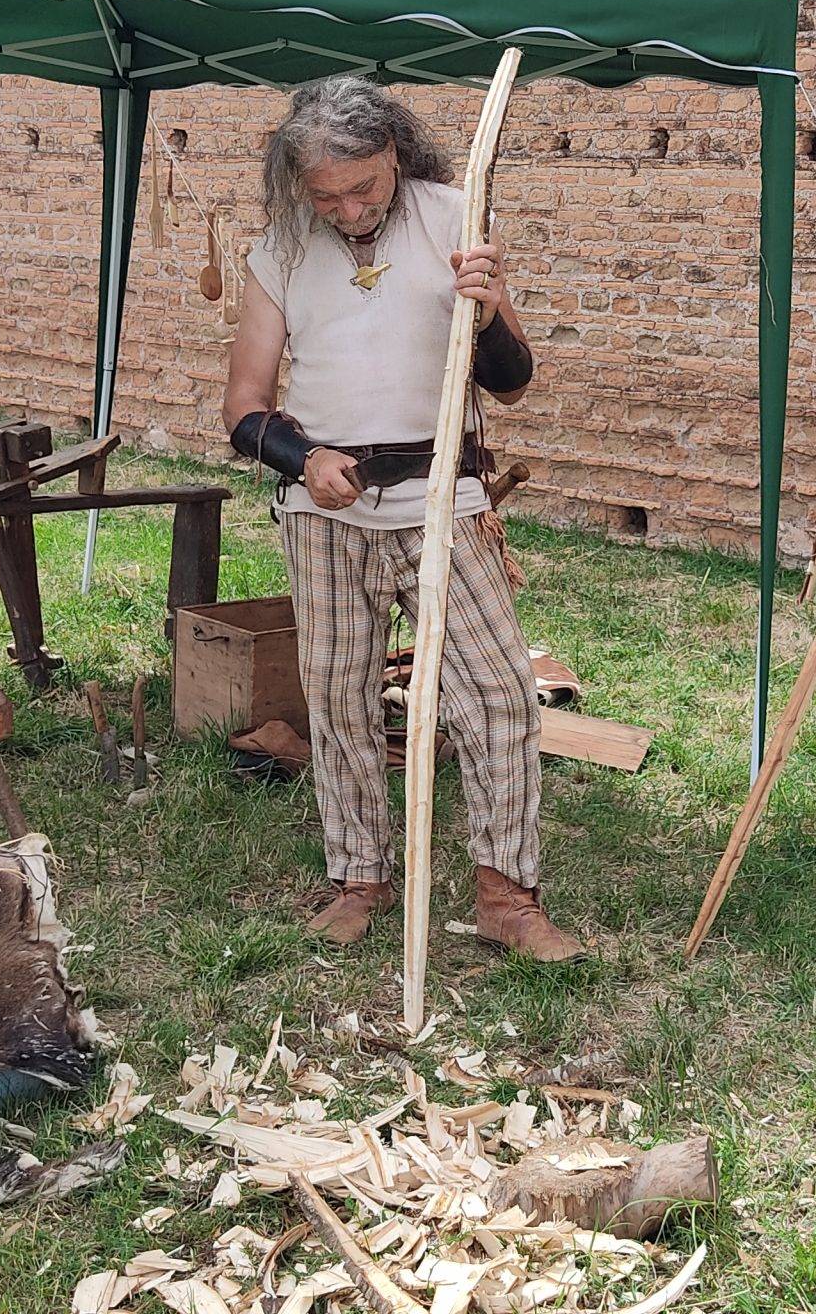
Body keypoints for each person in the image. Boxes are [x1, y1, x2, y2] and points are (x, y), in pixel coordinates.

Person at [223, 75, 584, 963]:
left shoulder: (456, 218)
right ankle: (360, 879)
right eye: (327, 195)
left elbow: (510, 380)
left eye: (364, 188)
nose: (348, 209)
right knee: (341, 699)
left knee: (498, 695)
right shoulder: (280, 251)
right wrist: (304, 460)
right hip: (324, 510)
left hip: (442, 500)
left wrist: (488, 305)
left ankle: (507, 895)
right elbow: (242, 408)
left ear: (392, 154)